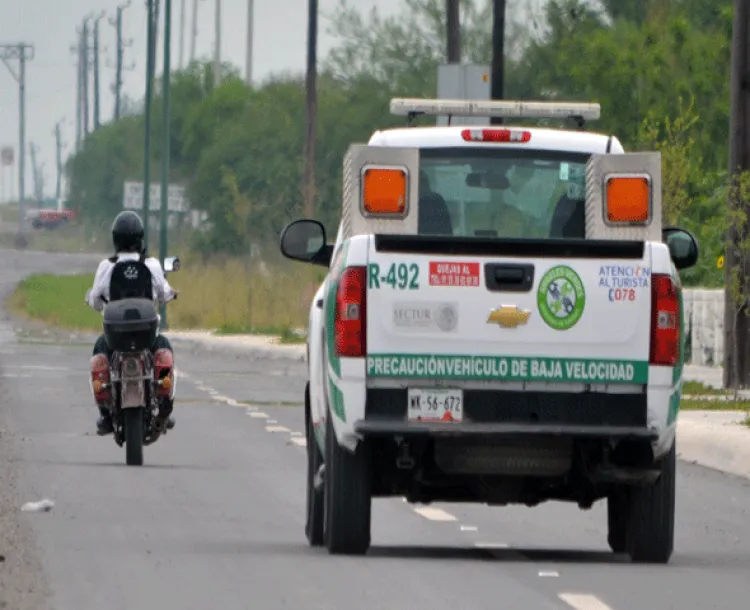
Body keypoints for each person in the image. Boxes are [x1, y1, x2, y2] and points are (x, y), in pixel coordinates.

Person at [85, 210, 177, 435]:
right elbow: (164, 294)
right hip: (146, 336)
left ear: (115, 238)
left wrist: (94, 301)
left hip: (115, 337)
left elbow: (96, 301)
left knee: (99, 351)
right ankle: (165, 404)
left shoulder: (106, 267)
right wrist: (171, 294)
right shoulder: (152, 265)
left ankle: (105, 416)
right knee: (164, 348)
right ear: (140, 237)